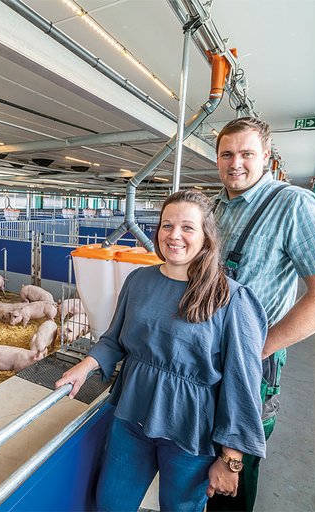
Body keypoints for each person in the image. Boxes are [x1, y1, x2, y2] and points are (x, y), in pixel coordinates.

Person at [56, 190, 268, 512]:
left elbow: (242, 384)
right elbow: (114, 339)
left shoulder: (230, 298)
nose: (174, 236)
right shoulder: (139, 280)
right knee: (111, 503)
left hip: (191, 430)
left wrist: (231, 458)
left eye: (187, 227)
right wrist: (86, 365)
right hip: (132, 412)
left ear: (206, 236)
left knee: (180, 508)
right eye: (166, 226)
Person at [208, 117, 315, 511]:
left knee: (232, 471)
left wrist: (260, 349)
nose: (236, 163)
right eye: (227, 154)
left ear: (266, 157)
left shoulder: (294, 205)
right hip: (206, 354)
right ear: (217, 158)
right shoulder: (217, 207)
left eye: (247, 154)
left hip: (251, 361)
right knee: (202, 464)